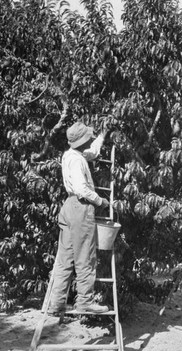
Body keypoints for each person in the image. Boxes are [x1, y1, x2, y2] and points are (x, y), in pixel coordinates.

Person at [48, 121, 110, 314]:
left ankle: (56, 302)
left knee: (65, 257)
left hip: (68, 206)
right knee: (85, 255)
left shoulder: (71, 155)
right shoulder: (76, 160)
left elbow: (92, 152)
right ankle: (85, 300)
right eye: (88, 138)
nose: (90, 141)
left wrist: (102, 136)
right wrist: (100, 201)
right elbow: (82, 189)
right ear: (81, 141)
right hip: (80, 207)